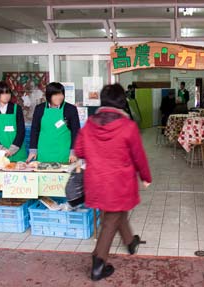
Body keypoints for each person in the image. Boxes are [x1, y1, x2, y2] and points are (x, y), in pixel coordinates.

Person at [74, 83, 152, 281]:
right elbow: (138, 156)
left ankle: (130, 241)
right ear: (122, 102)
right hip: (119, 183)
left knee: (117, 212)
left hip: (97, 181)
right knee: (111, 219)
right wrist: (145, 176)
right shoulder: (128, 126)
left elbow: (80, 151)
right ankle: (98, 264)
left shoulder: (90, 124)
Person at [27, 82, 80, 164]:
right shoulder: (39, 109)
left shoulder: (70, 109)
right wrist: (33, 150)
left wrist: (73, 152)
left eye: (61, 94)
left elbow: (76, 132)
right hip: (44, 152)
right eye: (55, 95)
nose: (59, 97)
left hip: (64, 153)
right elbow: (34, 130)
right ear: (49, 95)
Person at [0, 81, 27, 162]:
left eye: (8, 93)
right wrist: (1, 149)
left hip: (17, 151)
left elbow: (21, 131)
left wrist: (12, 150)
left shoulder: (17, 108)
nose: (6, 96)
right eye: (3, 93)